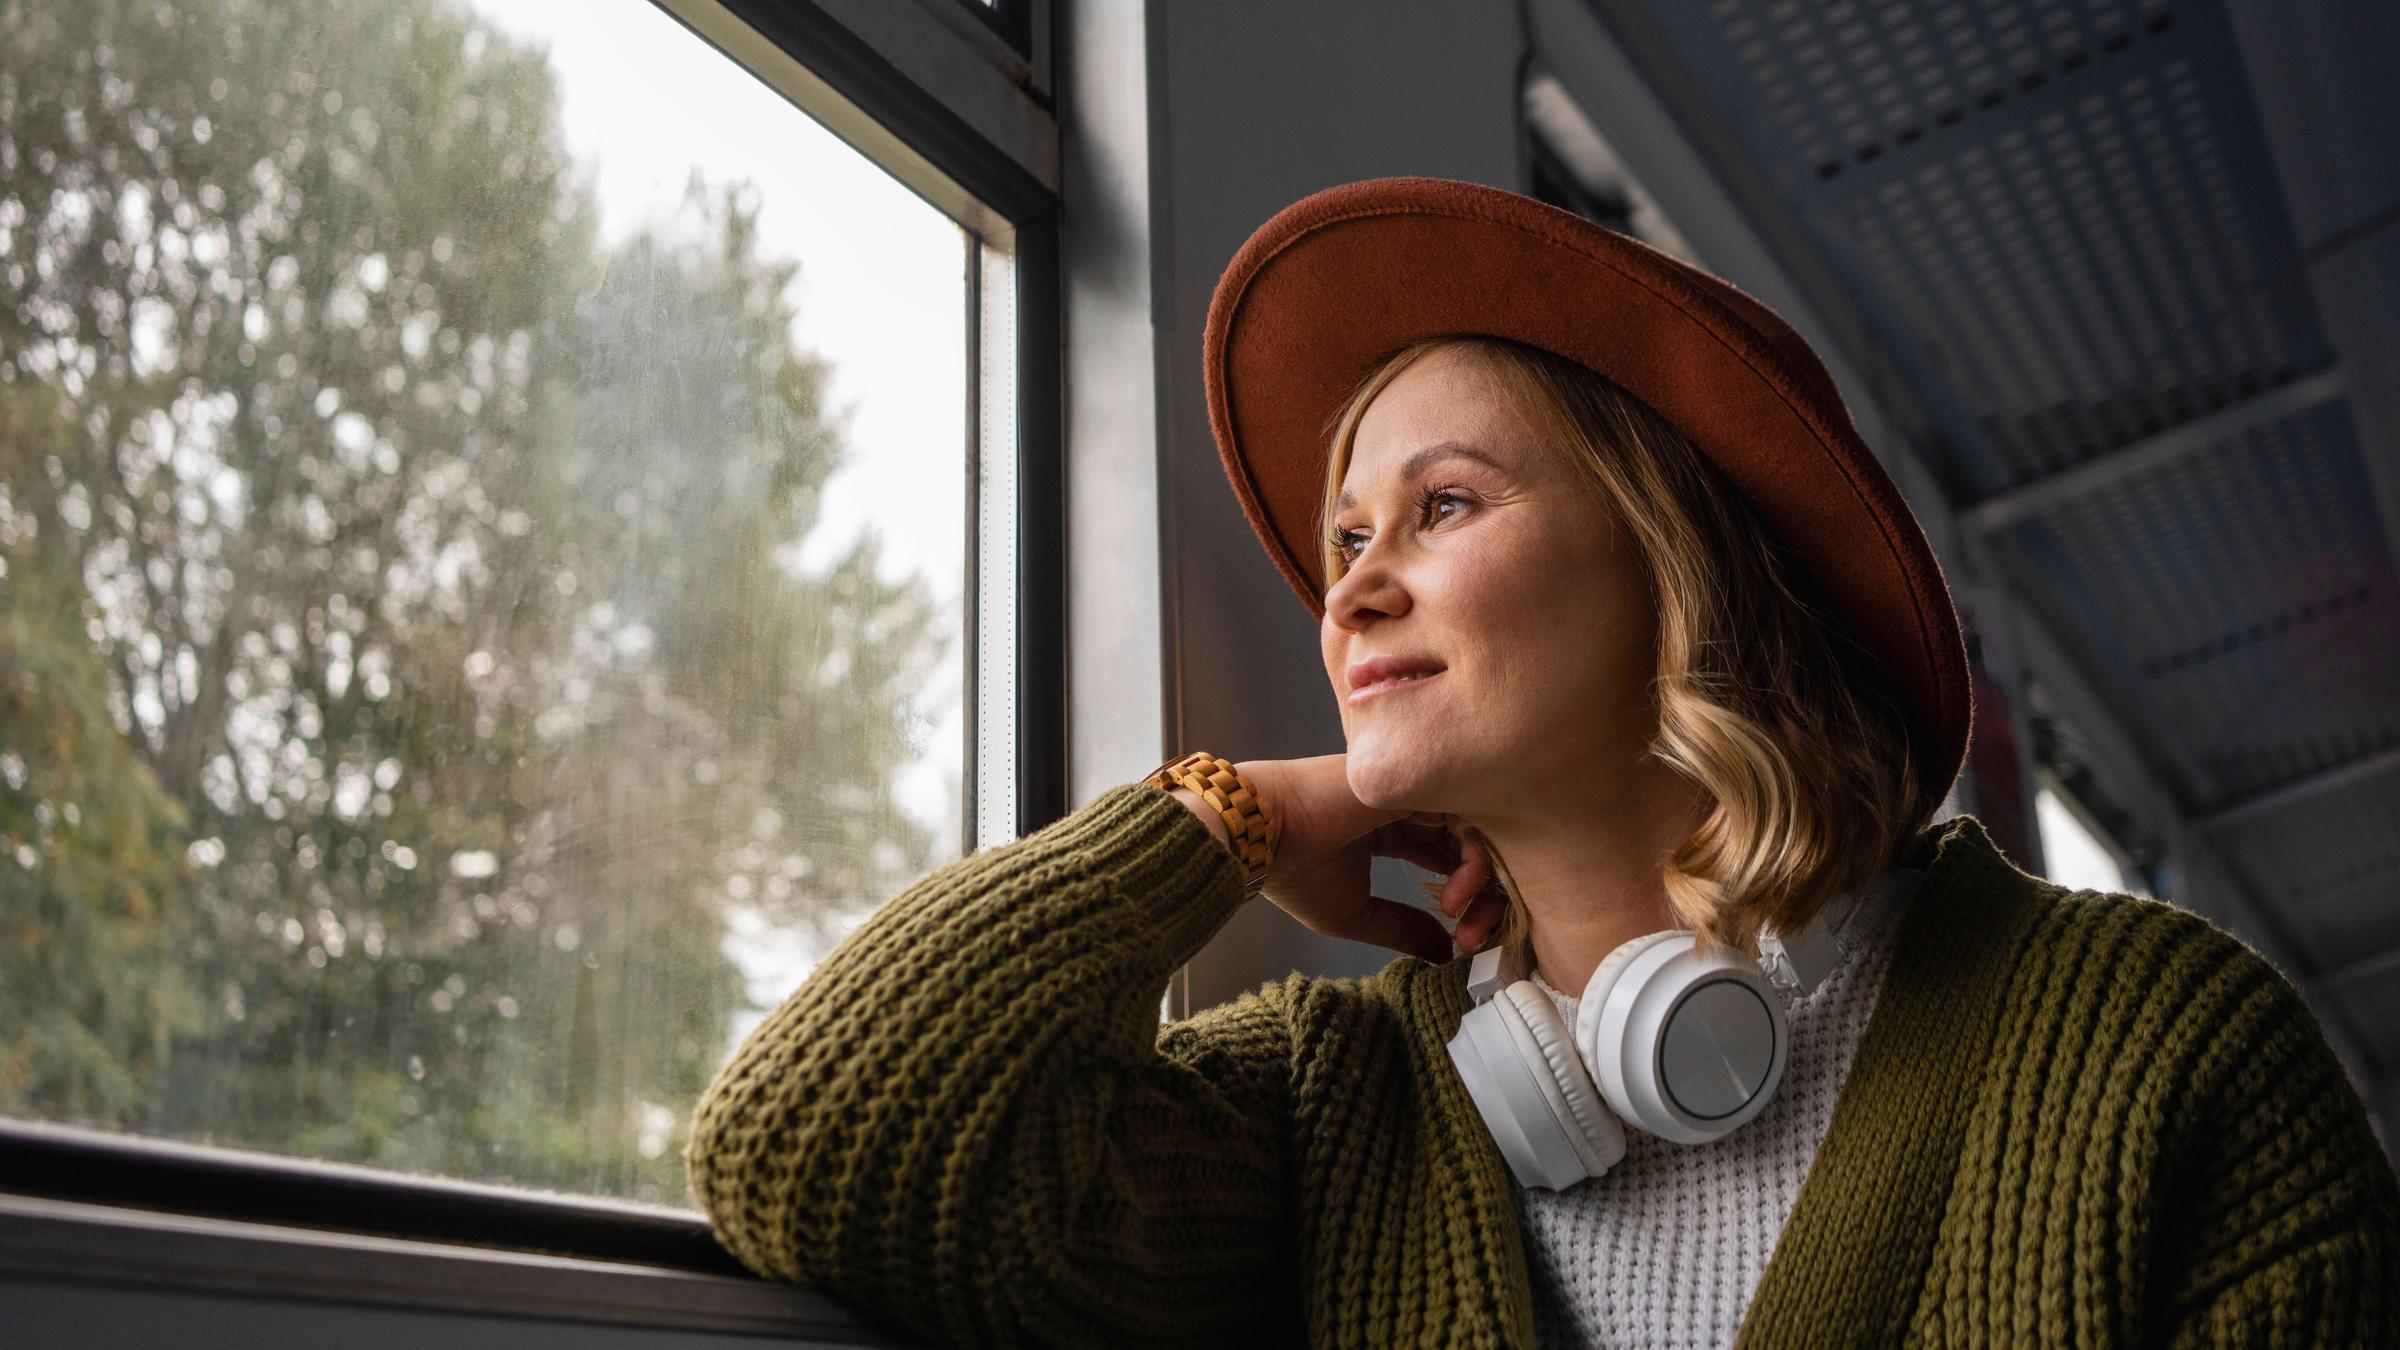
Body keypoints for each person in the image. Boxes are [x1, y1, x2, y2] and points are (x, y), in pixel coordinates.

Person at [684, 178, 2400, 1347]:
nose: (1352, 587)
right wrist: (1235, 810)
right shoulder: (1335, 1104)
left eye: (1442, 505)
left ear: (1681, 564)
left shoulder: (2162, 1043)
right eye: (1347, 536)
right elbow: (816, 1146)